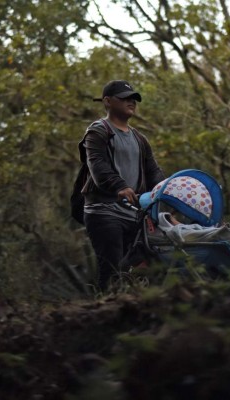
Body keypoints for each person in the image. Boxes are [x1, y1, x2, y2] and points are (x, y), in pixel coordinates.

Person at [80, 80, 165, 291]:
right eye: (125, 98)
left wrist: (166, 195)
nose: (131, 102)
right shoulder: (98, 132)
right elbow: (97, 165)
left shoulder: (139, 138)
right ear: (107, 102)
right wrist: (120, 186)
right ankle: (103, 312)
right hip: (104, 211)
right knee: (111, 268)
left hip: (133, 214)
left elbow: (154, 172)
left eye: (133, 99)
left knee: (133, 270)